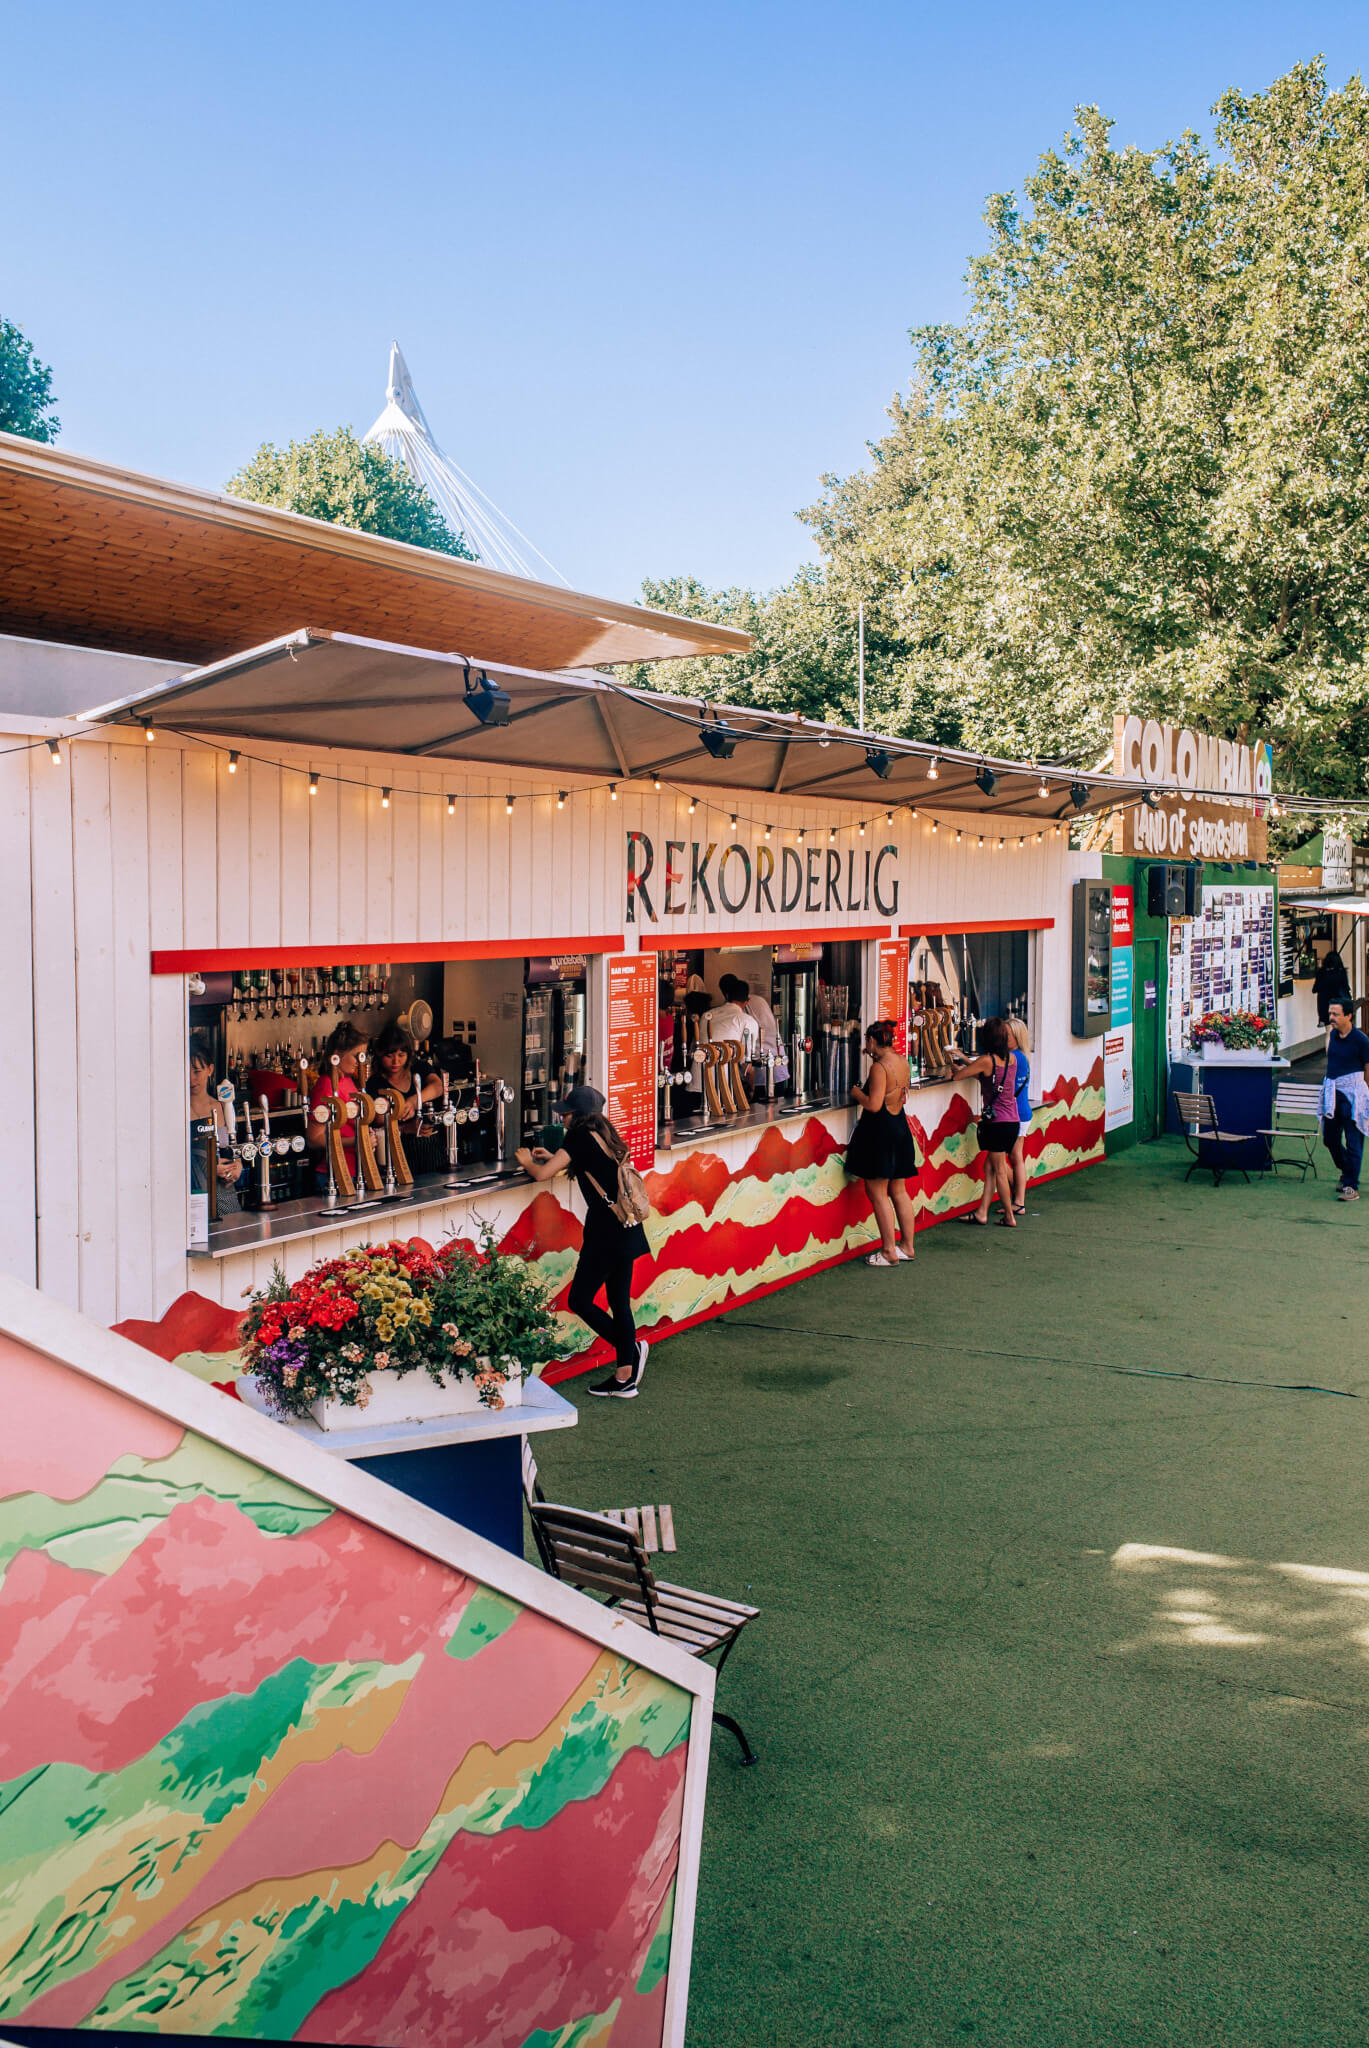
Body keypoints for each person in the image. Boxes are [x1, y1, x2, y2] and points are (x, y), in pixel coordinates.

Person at [515, 1084, 651, 1396]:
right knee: (619, 1301)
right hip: (626, 1225)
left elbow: (541, 1175)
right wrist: (556, 1157)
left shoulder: (577, 1137)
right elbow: (593, 1165)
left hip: (606, 1233)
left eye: (565, 1114)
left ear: (576, 1115)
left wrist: (526, 1160)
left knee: (579, 1300)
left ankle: (628, 1360)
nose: (561, 1119)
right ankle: (626, 1371)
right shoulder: (605, 1132)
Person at [846, 1019, 919, 1266]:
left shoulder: (879, 1067)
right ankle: (907, 1247)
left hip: (881, 1133)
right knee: (899, 1190)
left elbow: (874, 1104)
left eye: (867, 1041)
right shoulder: (902, 1061)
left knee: (877, 1191)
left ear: (872, 1040)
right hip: (900, 1127)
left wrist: (856, 1093)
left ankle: (888, 1251)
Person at [951, 1017, 1020, 1228]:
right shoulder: (1012, 1059)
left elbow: (958, 1077)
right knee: (989, 1168)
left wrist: (953, 1063)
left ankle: (1009, 1216)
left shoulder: (986, 1060)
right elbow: (989, 1078)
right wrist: (966, 1060)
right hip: (1012, 1121)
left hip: (996, 1123)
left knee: (999, 1171)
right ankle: (982, 1213)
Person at [307, 1020, 367, 1187]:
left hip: (356, 1170)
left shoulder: (348, 1080)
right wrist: (357, 1141)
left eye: (362, 1056)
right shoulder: (326, 1085)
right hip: (335, 1173)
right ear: (337, 1054)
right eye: (356, 1056)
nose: (359, 1061)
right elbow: (313, 1139)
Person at [1321, 998, 1369, 1203]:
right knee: (1329, 1139)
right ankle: (1347, 1170)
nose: (1331, 1018)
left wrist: (1364, 1095)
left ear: (1349, 1015)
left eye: (1336, 1014)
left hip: (1353, 1095)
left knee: (1353, 1142)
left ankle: (1351, 1186)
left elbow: (1367, 1068)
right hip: (1333, 1093)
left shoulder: (1361, 1040)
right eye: (1330, 1013)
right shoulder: (1333, 1035)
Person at [188, 1030, 241, 1213]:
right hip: (194, 1196)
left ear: (209, 1070)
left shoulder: (222, 1106)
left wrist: (237, 1167)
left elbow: (234, 1148)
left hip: (225, 1195)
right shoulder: (177, 1111)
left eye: (197, 1071)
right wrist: (210, 1168)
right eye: (186, 1070)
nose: (191, 1078)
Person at [1007, 1017, 1033, 1218]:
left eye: (1006, 1035)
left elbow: (990, 1072)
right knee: (1014, 1158)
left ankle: (1019, 1201)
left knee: (1011, 1158)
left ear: (1016, 1037)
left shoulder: (1013, 1058)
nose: (1002, 1038)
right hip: (1021, 1112)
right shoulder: (1022, 1057)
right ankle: (1018, 1200)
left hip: (1016, 1114)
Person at [1314, 949, 1353, 1029]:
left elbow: (1315, 989)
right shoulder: (1341, 972)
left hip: (1324, 1006)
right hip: (1339, 1005)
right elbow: (1346, 987)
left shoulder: (1321, 972)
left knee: (1329, 1030)